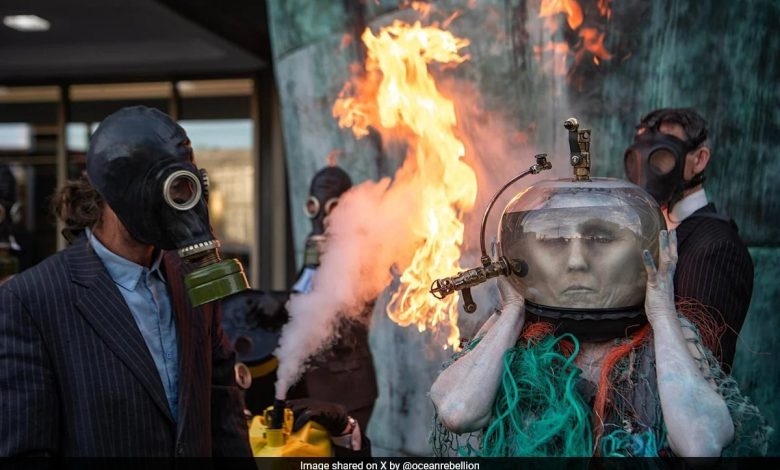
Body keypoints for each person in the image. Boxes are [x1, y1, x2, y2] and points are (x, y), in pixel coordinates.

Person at [430, 176, 768, 457]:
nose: (576, 261)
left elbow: (700, 444)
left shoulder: (669, 336)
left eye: (600, 238)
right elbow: (458, 412)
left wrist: (663, 311)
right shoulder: (517, 334)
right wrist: (512, 311)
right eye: (556, 240)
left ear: (651, 250)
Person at [0, 106, 252, 457]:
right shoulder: (31, 301)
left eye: (188, 184)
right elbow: (26, 453)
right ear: (116, 193)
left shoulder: (190, 281)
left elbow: (224, 417)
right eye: (172, 188)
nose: (183, 202)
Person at [624, 108, 754, 370]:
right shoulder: (647, 228)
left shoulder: (716, 247)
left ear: (699, 159)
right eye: (641, 153)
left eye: (662, 154)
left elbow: (701, 363)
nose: (648, 166)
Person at [291, 165, 378, 430]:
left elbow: (340, 312)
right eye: (314, 205)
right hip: (314, 385)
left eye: (331, 207)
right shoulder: (315, 247)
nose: (321, 218)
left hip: (346, 389)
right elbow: (302, 295)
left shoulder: (364, 252)